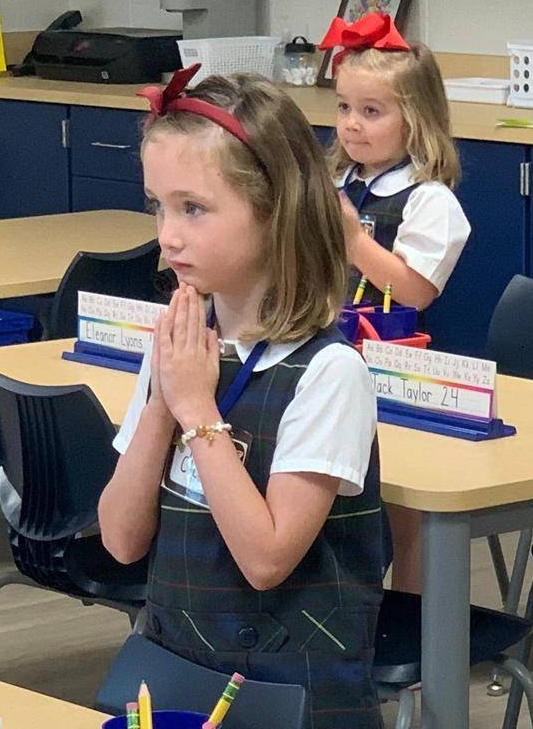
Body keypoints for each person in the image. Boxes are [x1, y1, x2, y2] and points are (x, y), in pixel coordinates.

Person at [98, 64, 387, 729]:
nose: (168, 235)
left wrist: (198, 412)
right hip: (177, 680)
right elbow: (119, 538)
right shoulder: (180, 349)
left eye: (193, 208)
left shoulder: (328, 373)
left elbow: (266, 559)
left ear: (274, 208)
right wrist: (163, 403)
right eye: (158, 206)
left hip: (293, 698)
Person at [321, 12, 471, 592]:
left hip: (394, 366)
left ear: (418, 120)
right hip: (330, 354)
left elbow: (414, 288)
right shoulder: (338, 185)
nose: (351, 126)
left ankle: (409, 621)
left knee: (404, 509)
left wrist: (354, 240)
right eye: (343, 108)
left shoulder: (429, 200)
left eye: (371, 111)